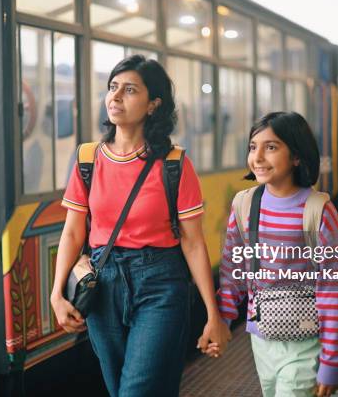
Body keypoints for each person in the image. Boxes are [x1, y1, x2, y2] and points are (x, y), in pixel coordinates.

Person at [50, 55, 231, 397]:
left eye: (129, 90)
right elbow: (74, 232)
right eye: (113, 87)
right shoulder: (88, 159)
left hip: (160, 285)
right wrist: (57, 293)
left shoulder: (175, 165)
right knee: (121, 388)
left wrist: (212, 313)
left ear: (153, 105)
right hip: (103, 287)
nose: (116, 97)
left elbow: (193, 243)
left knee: (136, 391)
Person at [209, 112, 338, 397]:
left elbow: (333, 291)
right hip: (261, 339)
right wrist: (221, 320)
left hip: (306, 340)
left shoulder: (319, 212)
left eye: (271, 147)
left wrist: (332, 361)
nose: (258, 156)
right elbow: (233, 272)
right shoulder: (244, 205)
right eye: (252, 147)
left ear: (296, 156)